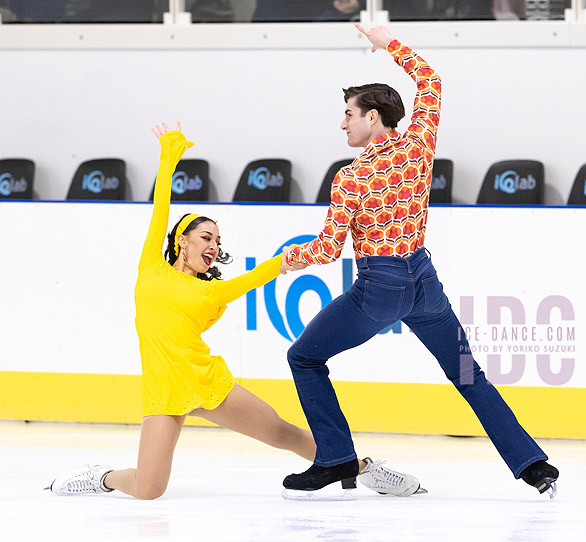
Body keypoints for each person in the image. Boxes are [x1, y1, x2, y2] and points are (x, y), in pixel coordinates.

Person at [47, 122, 420, 499]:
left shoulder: (212, 292)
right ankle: (102, 477)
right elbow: (161, 206)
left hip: (206, 384)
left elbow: (257, 276)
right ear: (182, 240)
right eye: (205, 237)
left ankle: (364, 469)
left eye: (218, 241)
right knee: (148, 489)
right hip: (162, 391)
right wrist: (169, 155)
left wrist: (288, 260)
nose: (212, 246)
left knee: (282, 433)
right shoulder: (151, 267)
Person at [283, 24, 559, 498]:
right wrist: (388, 44)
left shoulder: (352, 177)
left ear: (372, 117)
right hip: (424, 285)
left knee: (304, 356)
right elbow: (430, 79)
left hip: (379, 291)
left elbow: (328, 249)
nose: (343, 124)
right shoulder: (419, 145)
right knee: (469, 375)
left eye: (348, 114)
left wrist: (292, 258)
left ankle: (336, 457)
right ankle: (534, 466)